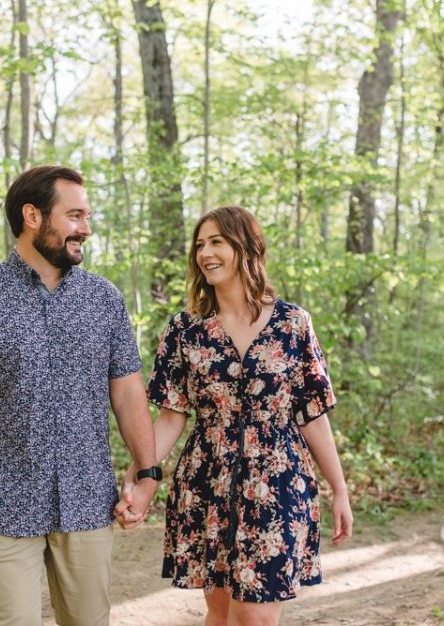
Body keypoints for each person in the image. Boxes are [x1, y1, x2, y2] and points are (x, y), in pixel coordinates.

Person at [0, 165, 160, 626]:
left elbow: (128, 393)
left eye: (87, 216)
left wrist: (148, 472)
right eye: (74, 216)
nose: (85, 228)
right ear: (32, 216)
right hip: (1, 503)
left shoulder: (105, 300)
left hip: (87, 501)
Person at [115, 206, 353, 626]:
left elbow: (312, 414)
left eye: (217, 242)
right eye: (199, 245)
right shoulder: (184, 330)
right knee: (221, 611)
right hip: (208, 480)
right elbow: (171, 418)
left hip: (278, 480)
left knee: (255, 616)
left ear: (246, 247)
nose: (205, 253)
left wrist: (340, 489)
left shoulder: (293, 324)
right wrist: (140, 475)